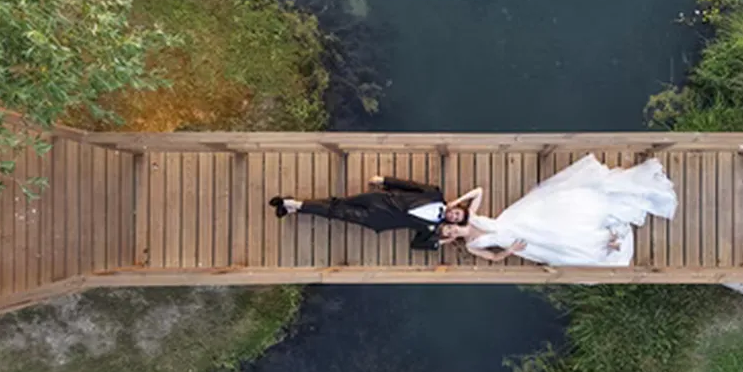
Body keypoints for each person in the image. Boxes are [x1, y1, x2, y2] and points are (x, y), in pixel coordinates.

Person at [437, 154, 677, 265]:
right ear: (450, 240)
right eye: (449, 233)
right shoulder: (471, 246)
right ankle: (610, 240)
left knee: (564, 210)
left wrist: (454, 202)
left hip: (515, 220)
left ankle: (610, 226)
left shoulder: (471, 217)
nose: (452, 231)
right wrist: (509, 250)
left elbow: (478, 191)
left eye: (449, 228)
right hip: (520, 242)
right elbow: (493, 257)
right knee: (563, 243)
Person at [269, 175, 472, 252]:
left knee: (336, 213)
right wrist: (384, 181)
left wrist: (443, 240)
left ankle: (291, 203)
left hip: (377, 220)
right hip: (380, 200)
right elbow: (409, 185)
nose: (453, 217)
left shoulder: (430, 229)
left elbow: (416, 245)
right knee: (338, 203)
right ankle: (292, 207)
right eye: (456, 214)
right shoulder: (434, 193)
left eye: (456, 220)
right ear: (455, 208)